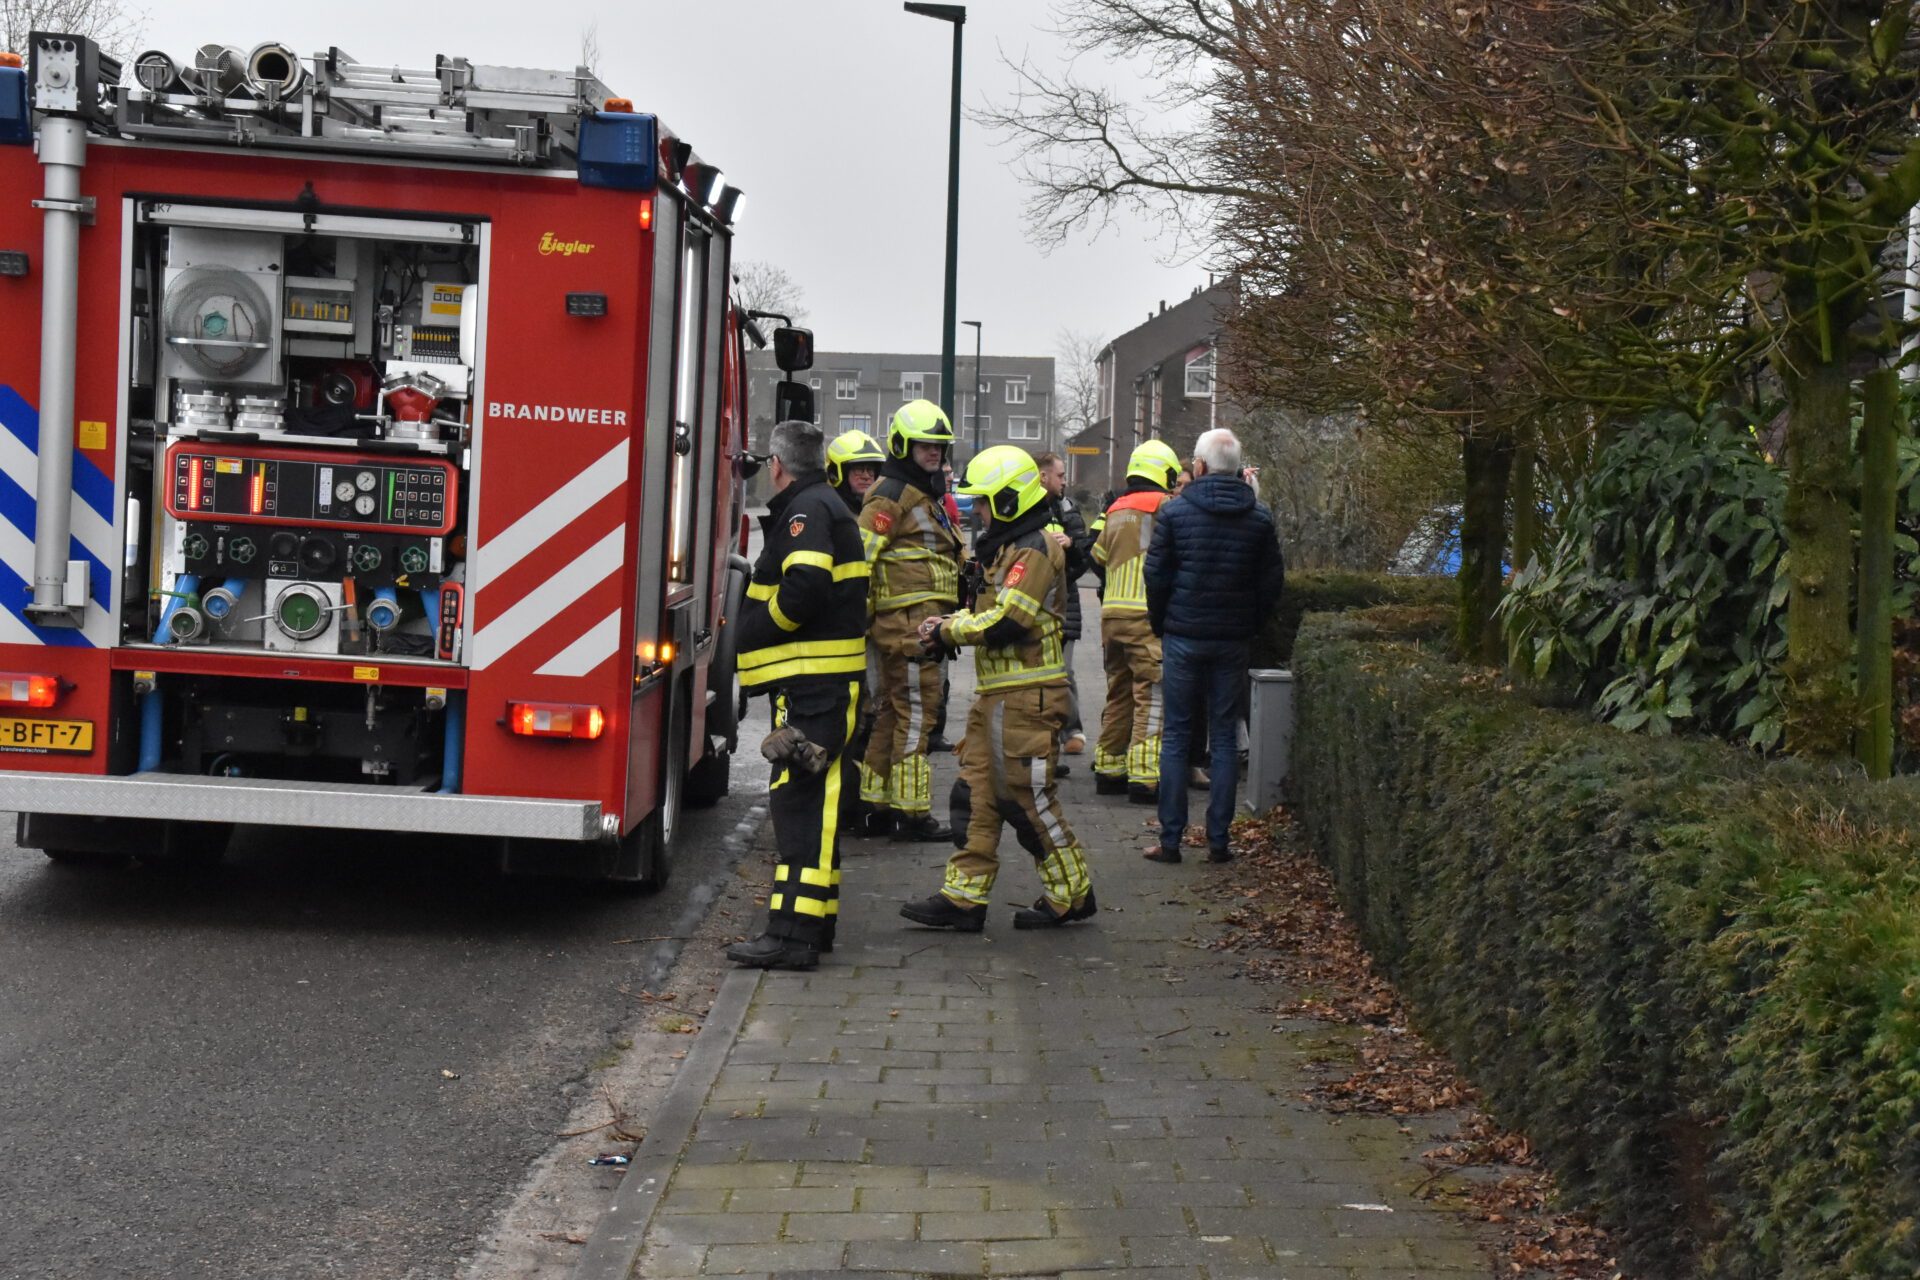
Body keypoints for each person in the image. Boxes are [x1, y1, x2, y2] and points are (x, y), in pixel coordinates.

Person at [898, 446, 1096, 932]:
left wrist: (948, 632)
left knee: (1025, 799)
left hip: (1027, 697)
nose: (978, 512)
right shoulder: (1009, 547)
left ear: (1008, 499)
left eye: (984, 502)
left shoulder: (1034, 549)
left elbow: (1011, 618)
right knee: (975, 794)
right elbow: (991, 608)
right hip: (998, 697)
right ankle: (964, 898)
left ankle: (1073, 892)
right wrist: (947, 622)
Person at [726, 420, 871, 969]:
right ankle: (811, 925)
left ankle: (791, 936)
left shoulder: (807, 512)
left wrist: (758, 627)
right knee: (816, 802)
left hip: (816, 688)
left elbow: (805, 586)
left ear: (778, 465)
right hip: (821, 686)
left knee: (800, 805)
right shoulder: (825, 505)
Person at [1142, 428, 1284, 865]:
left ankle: (1170, 842)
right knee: (1224, 738)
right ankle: (1219, 842)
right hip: (1232, 640)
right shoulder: (1259, 518)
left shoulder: (1175, 512)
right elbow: (1271, 583)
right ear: (1239, 467)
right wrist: (1250, 625)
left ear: (1199, 467)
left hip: (1184, 637)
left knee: (1177, 736)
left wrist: (1163, 623)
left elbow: (1156, 575)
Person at [857, 400, 961, 842]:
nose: (934, 453)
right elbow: (862, 557)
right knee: (918, 714)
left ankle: (877, 805)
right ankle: (913, 814)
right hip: (909, 626)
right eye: (925, 445)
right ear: (902, 445)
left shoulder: (920, 493)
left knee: (893, 715)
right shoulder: (892, 495)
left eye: (939, 446)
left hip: (917, 620)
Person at [1090, 439, 1182, 803]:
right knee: (1152, 692)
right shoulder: (1163, 505)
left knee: (1119, 691)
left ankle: (1109, 768)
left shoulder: (1115, 508)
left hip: (1111, 614)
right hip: (1144, 613)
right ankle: (1144, 776)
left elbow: (1097, 558)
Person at [826, 429, 888, 826]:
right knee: (850, 721)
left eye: (870, 470)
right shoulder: (833, 515)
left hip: (873, 631)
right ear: (837, 473)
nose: (865, 477)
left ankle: (861, 803)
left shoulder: (873, 514)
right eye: (856, 470)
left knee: (871, 716)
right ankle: (848, 805)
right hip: (844, 634)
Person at [1035, 452, 1093, 761]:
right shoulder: (1025, 509)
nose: (1065, 480)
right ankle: (1047, 735)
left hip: (1064, 605)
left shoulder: (1069, 510)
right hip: (1033, 604)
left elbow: (1085, 557)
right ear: (1043, 477)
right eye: (1060, 475)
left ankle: (1072, 730)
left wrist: (1070, 547)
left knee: (1063, 671)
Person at [827, 428, 885, 513]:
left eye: (870, 470)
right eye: (859, 469)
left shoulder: (885, 509)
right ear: (841, 473)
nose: (866, 476)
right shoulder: (828, 509)